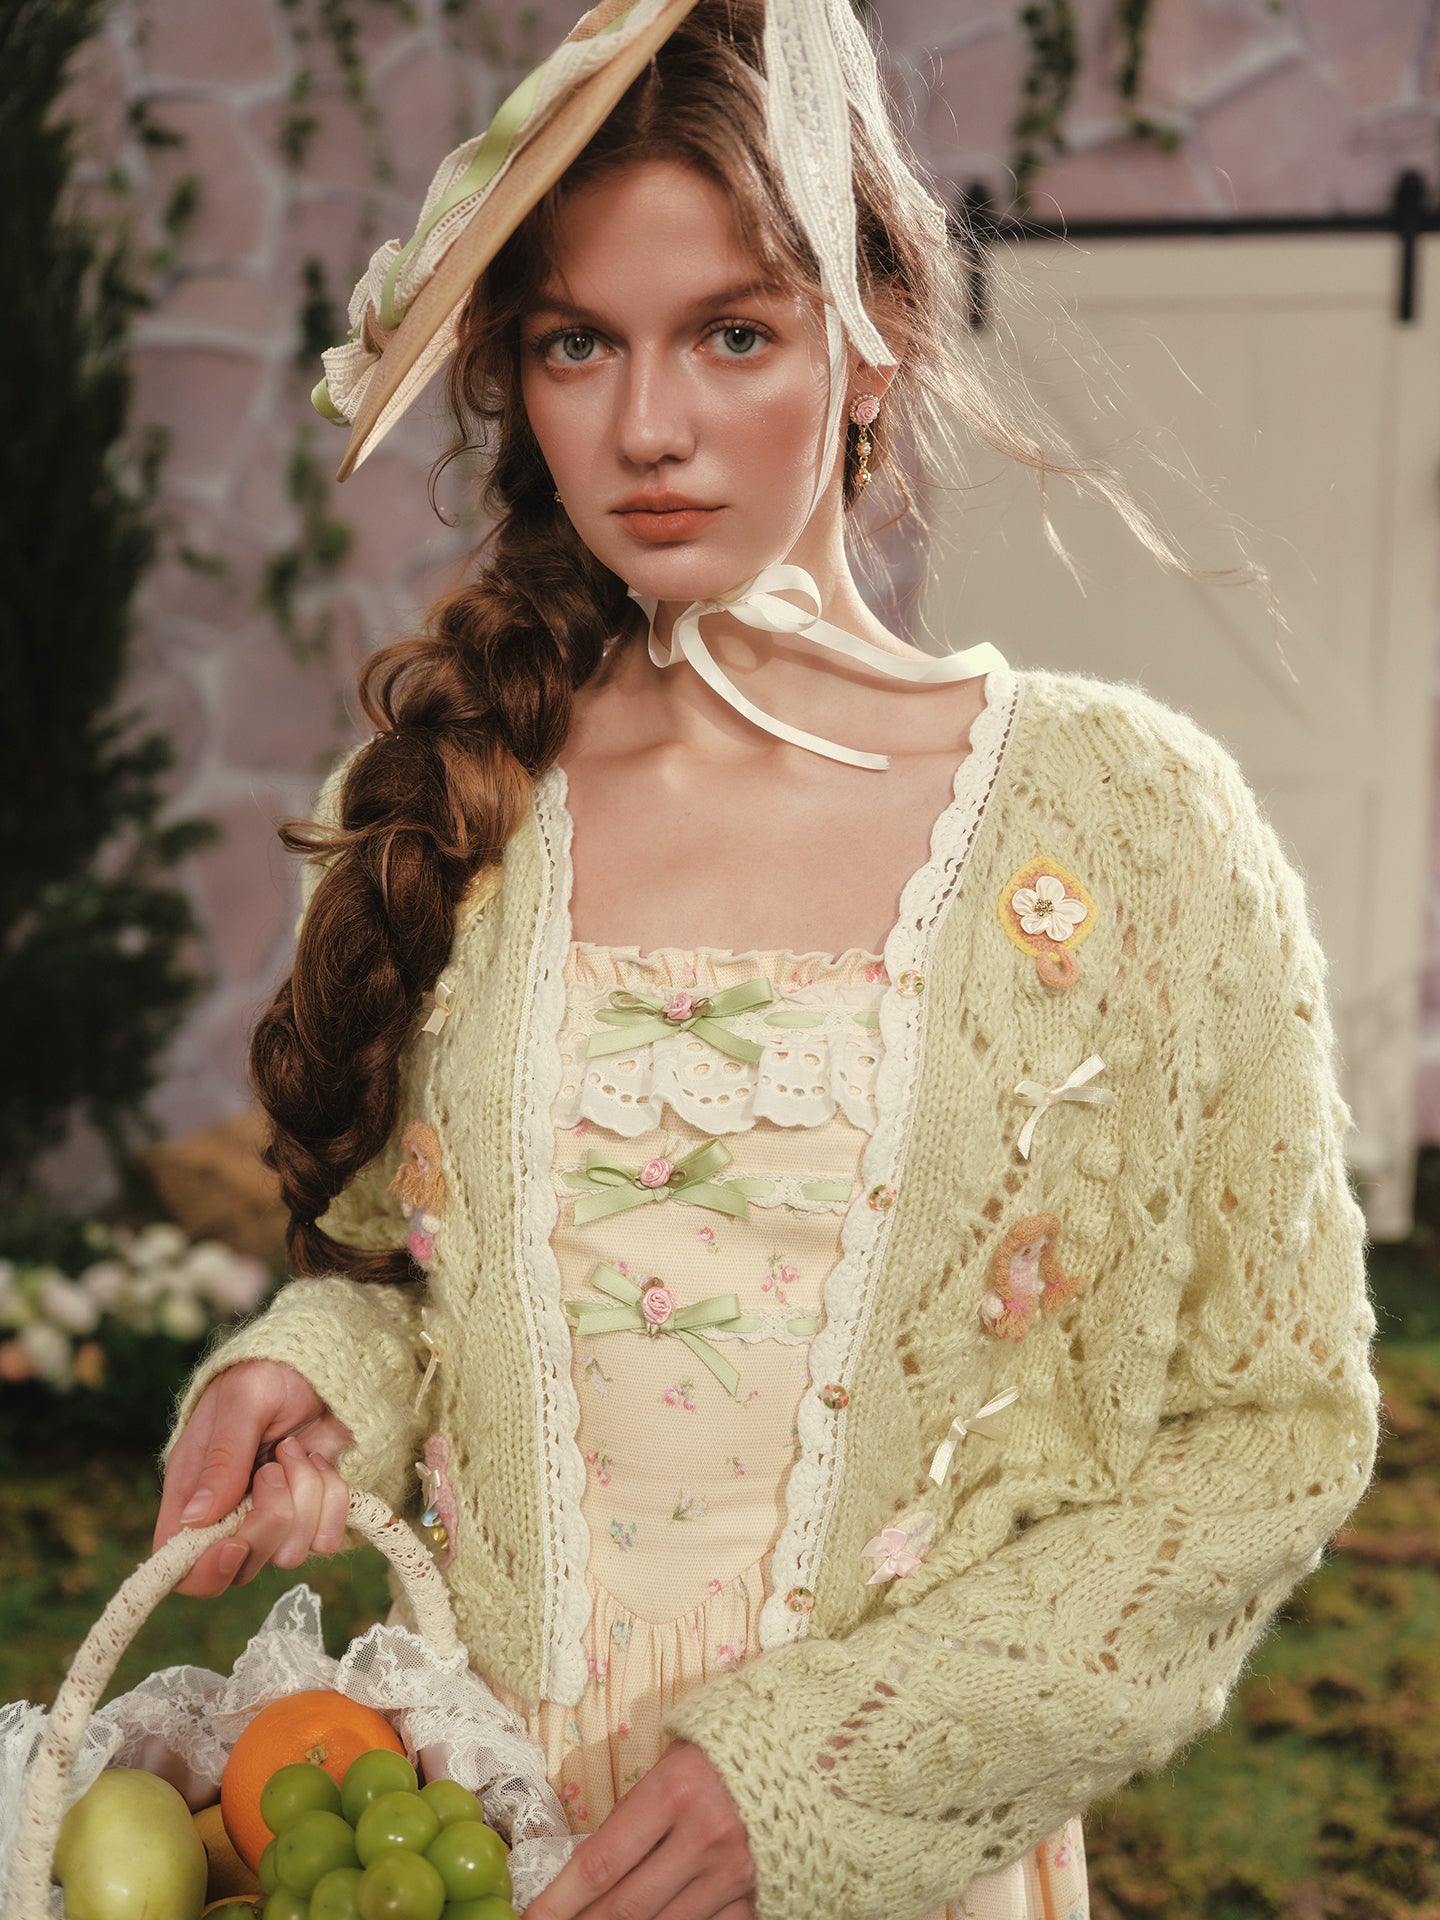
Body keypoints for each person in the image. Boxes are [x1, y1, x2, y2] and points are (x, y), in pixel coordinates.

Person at [155, 3, 1380, 1918]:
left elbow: (1270, 1430)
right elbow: (428, 1287)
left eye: (733, 333)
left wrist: (827, 1776)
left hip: (888, 1859)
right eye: (579, 343)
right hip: (488, 1848)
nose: (648, 428)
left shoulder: (1135, 828)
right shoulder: (457, 798)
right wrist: (326, 1373)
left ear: (875, 329)